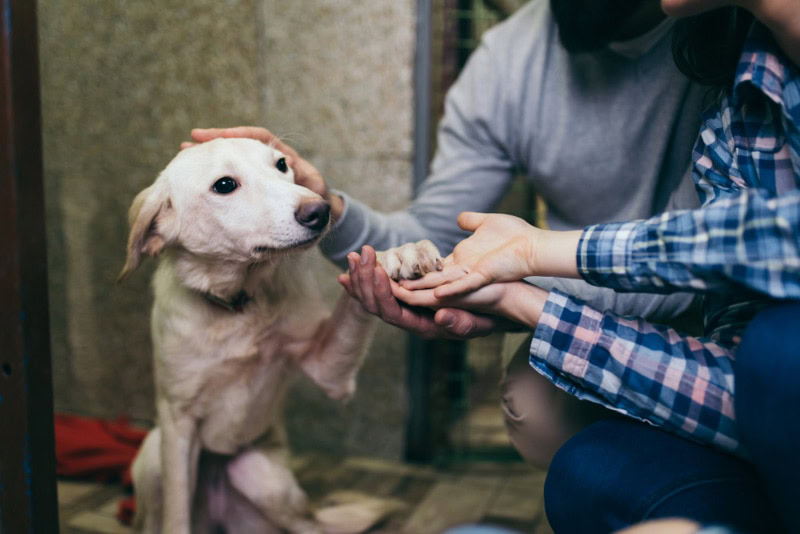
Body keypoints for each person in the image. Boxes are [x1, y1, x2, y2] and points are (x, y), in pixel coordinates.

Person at [189, 0, 709, 468]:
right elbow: (430, 232)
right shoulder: (509, 58)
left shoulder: (723, 40)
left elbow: (705, 258)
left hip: (720, 296)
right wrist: (329, 210)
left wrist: (513, 294)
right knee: (537, 413)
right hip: (593, 295)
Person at [389, 0, 800, 530]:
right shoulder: (735, 97)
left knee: (779, 351)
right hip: (750, 374)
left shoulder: (700, 70)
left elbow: (764, 241)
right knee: (584, 470)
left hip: (704, 320)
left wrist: (541, 255)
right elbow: (747, 394)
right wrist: (520, 299)